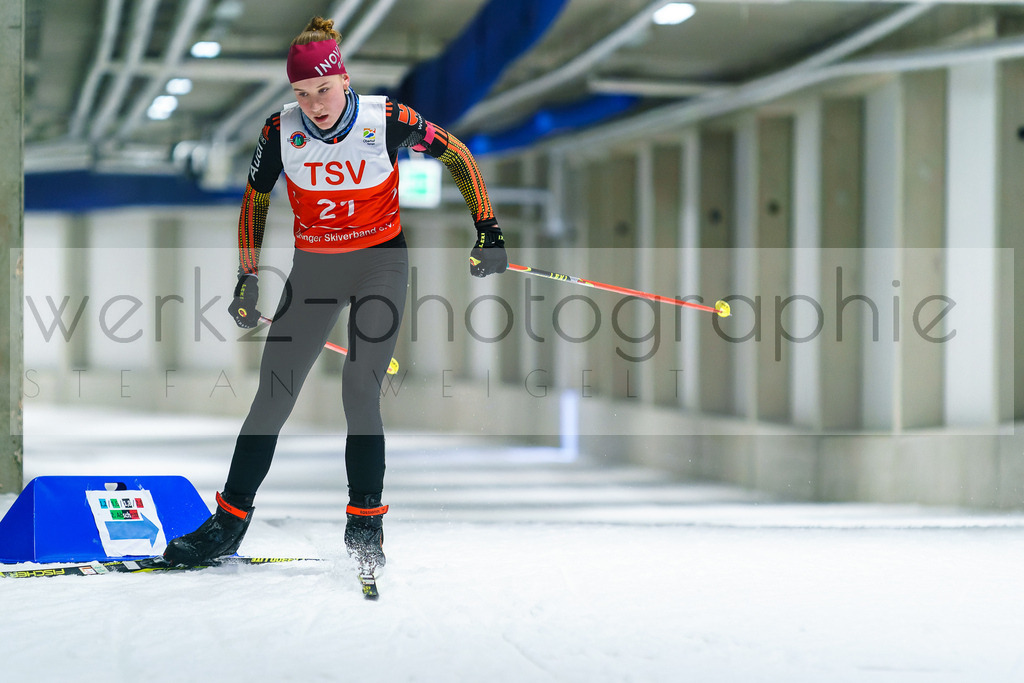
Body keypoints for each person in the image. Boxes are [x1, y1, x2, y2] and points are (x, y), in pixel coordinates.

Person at [162, 16, 507, 573]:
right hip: (316, 274)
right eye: (302, 92)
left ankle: (365, 523)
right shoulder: (281, 130)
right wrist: (247, 277)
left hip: (379, 268)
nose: (315, 103)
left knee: (358, 388)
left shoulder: (387, 119)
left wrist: (487, 228)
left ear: (343, 79)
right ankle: (227, 523)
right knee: (273, 392)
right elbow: (255, 202)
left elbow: (458, 154)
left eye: (322, 89)